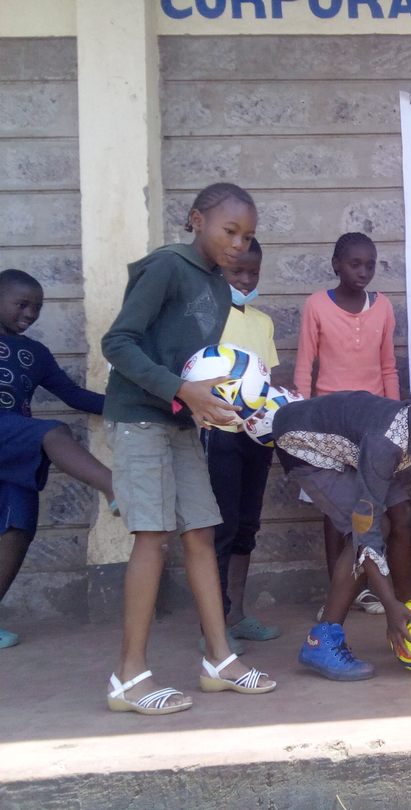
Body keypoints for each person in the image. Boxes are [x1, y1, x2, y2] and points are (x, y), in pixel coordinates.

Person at [102, 182, 275, 716]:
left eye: (247, 236)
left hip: (179, 422)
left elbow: (196, 364)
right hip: (139, 419)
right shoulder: (166, 267)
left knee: (201, 531)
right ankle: (128, 677)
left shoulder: (221, 288)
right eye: (230, 231)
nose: (239, 244)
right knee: (152, 537)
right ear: (196, 220)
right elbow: (117, 342)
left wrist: (211, 403)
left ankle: (219, 660)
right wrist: (181, 390)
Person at [273, 368, 411, 681]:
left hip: (355, 449)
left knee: (403, 514)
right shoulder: (385, 443)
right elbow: (365, 528)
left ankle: (409, 615)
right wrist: (387, 603)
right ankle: (322, 641)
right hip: (304, 447)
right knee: (372, 526)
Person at [0, 269, 116, 649]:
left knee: (19, 525)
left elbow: (74, 395)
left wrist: (132, 406)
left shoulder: (36, 354)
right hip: (14, 433)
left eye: (37, 307)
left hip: (14, 447)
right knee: (52, 432)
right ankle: (114, 486)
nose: (30, 313)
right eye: (21, 304)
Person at [294, 232, 407, 611]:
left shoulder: (383, 307)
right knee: (335, 512)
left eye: (370, 265)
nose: (363, 272)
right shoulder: (316, 306)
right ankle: (336, 596)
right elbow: (304, 366)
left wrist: (395, 419)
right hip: (329, 425)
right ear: (336, 265)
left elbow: (388, 366)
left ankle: (368, 587)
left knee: (372, 506)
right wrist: (302, 423)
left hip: (373, 425)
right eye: (355, 264)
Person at [201, 238, 285, 652]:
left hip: (256, 437)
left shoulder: (262, 323)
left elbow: (268, 379)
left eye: (254, 272)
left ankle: (236, 613)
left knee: (247, 526)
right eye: (238, 272)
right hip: (218, 433)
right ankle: (213, 627)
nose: (247, 280)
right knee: (222, 526)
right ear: (220, 271)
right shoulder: (207, 319)